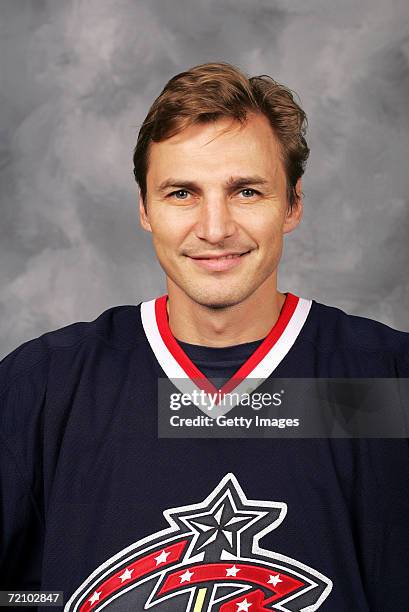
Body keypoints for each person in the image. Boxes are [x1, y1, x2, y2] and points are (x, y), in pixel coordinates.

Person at [0, 61, 408, 612]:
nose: (215, 229)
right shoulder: (43, 388)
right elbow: (21, 596)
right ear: (145, 208)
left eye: (246, 191)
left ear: (292, 205)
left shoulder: (383, 386)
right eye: (181, 193)